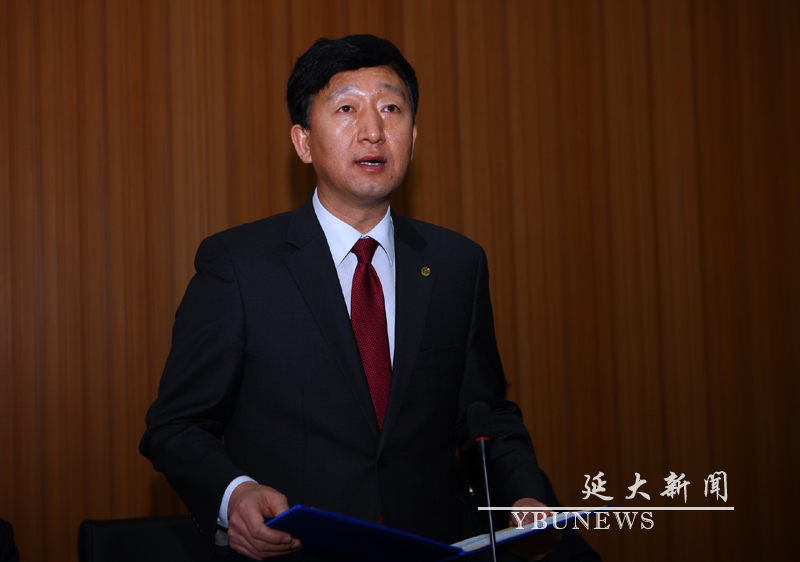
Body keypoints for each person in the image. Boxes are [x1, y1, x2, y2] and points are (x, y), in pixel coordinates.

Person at [141, 34, 586, 561]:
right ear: (304, 142)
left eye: (391, 109)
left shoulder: (456, 264)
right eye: (347, 108)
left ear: (413, 138)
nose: (373, 130)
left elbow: (485, 415)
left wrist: (522, 495)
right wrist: (235, 494)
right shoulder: (239, 265)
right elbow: (176, 426)